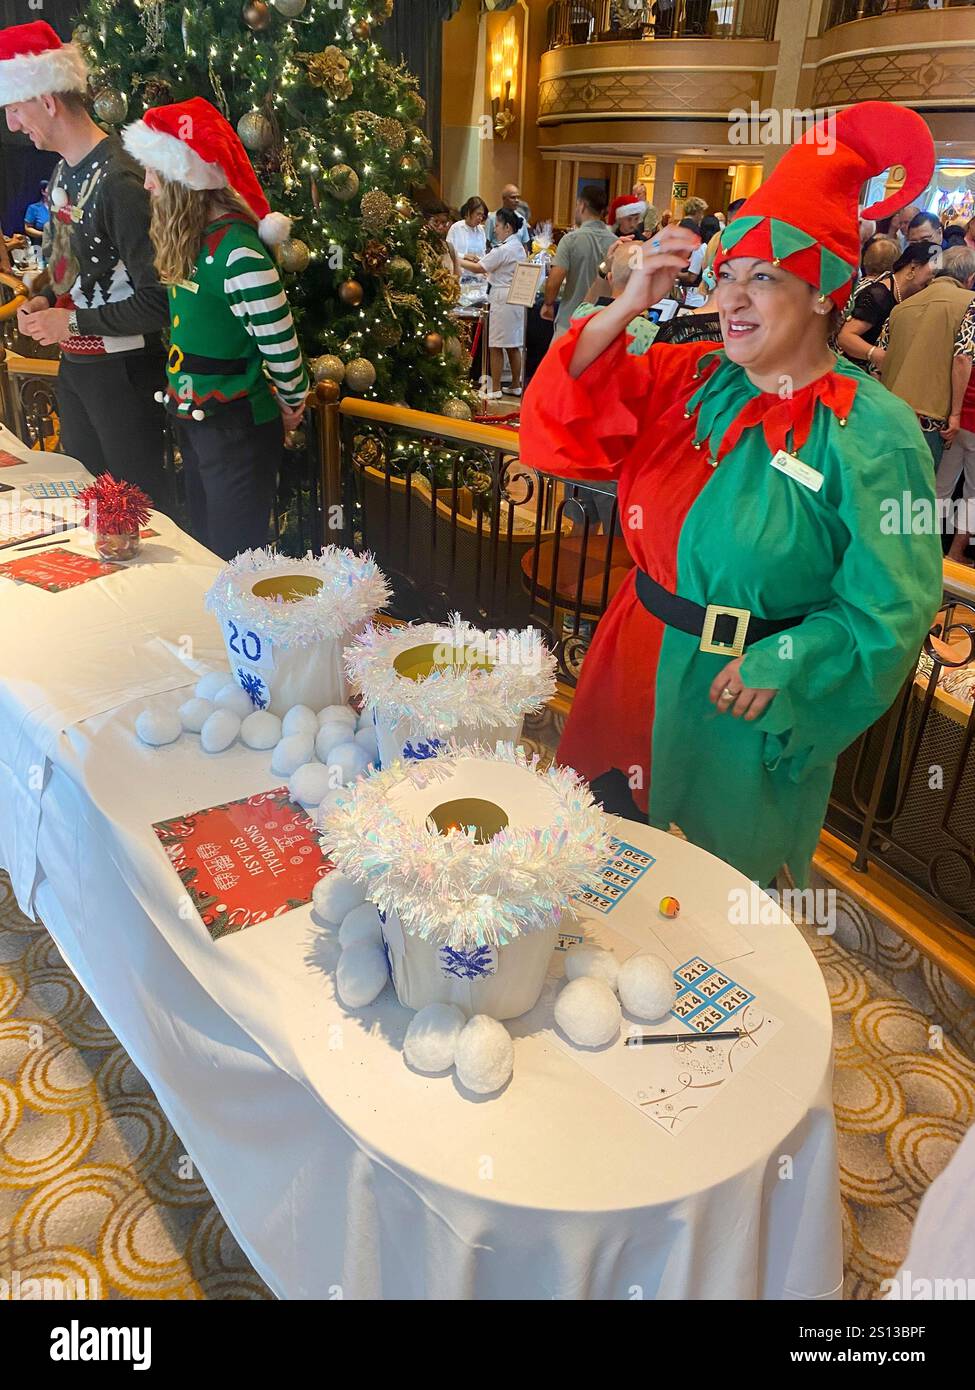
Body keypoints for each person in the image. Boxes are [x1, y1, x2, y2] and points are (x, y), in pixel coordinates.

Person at [520, 100, 942, 886]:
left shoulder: (870, 431)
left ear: (823, 293)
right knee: (590, 883)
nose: (734, 300)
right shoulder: (689, 379)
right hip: (628, 666)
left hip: (740, 704)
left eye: (765, 278)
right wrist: (626, 303)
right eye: (727, 278)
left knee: (704, 917)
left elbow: (891, 606)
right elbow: (559, 430)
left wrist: (786, 657)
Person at [123, 98, 309, 559]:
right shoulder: (193, 242)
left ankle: (239, 633)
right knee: (207, 547)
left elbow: (282, 349)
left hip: (237, 428)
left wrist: (290, 405)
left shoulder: (238, 252)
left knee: (234, 556)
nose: (146, 183)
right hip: (197, 420)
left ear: (183, 178)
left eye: (153, 171)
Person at [2, 21, 168, 500]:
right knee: (89, 500)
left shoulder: (119, 180)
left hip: (123, 376)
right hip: (79, 369)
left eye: (15, 109)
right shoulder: (61, 172)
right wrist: (41, 300)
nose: (13, 124)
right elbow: (63, 271)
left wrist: (69, 324)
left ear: (47, 102)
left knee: (137, 509)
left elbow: (159, 301)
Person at [880, 245, 975, 465]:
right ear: (970, 278)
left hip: (891, 408)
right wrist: (956, 414)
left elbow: (879, 361)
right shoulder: (969, 304)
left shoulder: (903, 305)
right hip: (929, 417)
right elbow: (962, 357)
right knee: (917, 487)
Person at [838, 241, 937, 372]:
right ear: (913, 267)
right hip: (853, 373)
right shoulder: (879, 295)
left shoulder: (910, 297)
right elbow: (845, 337)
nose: (933, 278)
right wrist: (877, 355)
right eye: (933, 270)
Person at [466, 206, 527, 399]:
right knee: (512, 344)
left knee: (496, 344)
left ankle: (495, 388)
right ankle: (516, 384)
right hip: (515, 298)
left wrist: (457, 260)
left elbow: (478, 267)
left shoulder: (504, 248)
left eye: (498, 226)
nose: (495, 229)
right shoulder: (518, 246)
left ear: (508, 227)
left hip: (502, 298)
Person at [541, 185, 615, 338]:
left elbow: (555, 280)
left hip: (570, 321)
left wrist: (548, 303)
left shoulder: (570, 240)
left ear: (582, 205)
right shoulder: (616, 243)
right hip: (603, 324)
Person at [935, 296, 975, 562]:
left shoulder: (968, 309)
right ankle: (955, 553)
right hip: (965, 417)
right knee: (973, 493)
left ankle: (926, 550)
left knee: (940, 486)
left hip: (954, 413)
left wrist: (954, 412)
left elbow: (961, 358)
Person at [447, 196, 488, 288]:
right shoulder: (456, 228)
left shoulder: (481, 230)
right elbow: (448, 252)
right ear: (469, 212)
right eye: (478, 214)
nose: (480, 218)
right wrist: (464, 256)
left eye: (482, 215)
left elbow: (483, 253)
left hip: (477, 276)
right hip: (460, 275)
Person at [424, 200, 459, 276]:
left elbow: (456, 275)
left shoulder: (449, 247)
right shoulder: (421, 246)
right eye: (436, 222)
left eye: (444, 223)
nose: (440, 227)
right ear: (426, 221)